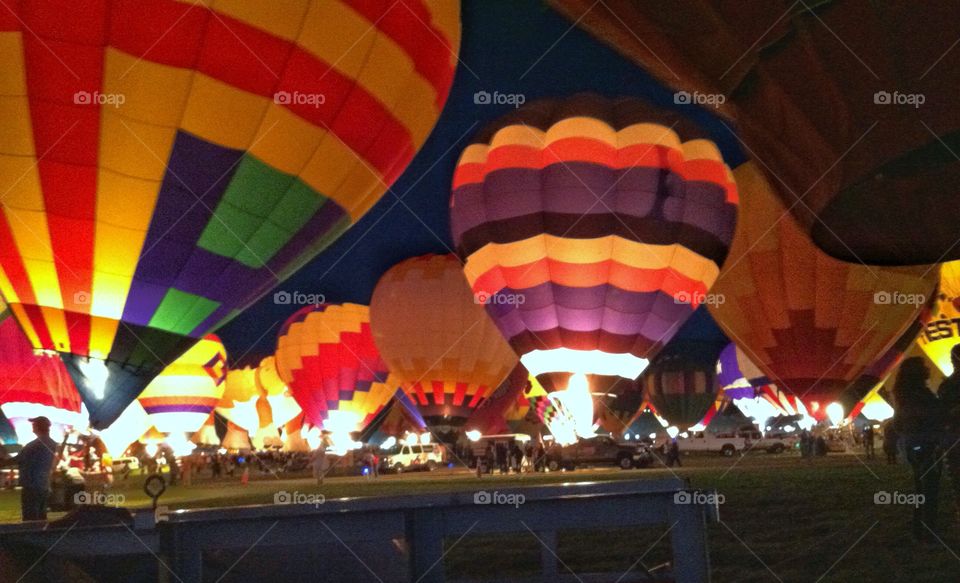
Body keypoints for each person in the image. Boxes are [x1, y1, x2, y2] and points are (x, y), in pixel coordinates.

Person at [893, 356, 945, 542]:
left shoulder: (904, 396)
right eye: (924, 366)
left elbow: (897, 424)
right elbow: (931, 417)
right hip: (925, 446)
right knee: (929, 489)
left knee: (920, 490)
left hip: (914, 446)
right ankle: (928, 533)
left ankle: (919, 530)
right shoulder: (920, 395)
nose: (929, 368)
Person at [12, 417, 58, 521]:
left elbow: (18, 459)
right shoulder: (51, 443)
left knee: (30, 518)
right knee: (41, 516)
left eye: (34, 424)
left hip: (31, 484)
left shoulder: (35, 445)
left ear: (38, 426)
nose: (32, 426)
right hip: (43, 484)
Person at [938, 344, 960, 528]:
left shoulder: (946, 385)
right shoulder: (948, 385)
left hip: (952, 438)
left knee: (957, 478)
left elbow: (940, 414)